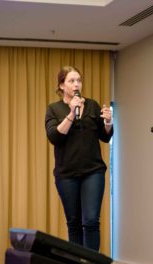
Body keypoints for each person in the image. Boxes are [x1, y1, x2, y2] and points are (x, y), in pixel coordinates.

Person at [45, 66, 113, 251]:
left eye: (79, 80)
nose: (76, 84)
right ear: (61, 85)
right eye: (71, 81)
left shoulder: (92, 105)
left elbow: (105, 136)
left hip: (93, 171)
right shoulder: (54, 109)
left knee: (91, 220)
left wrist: (108, 122)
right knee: (73, 223)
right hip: (66, 174)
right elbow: (54, 137)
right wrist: (71, 113)